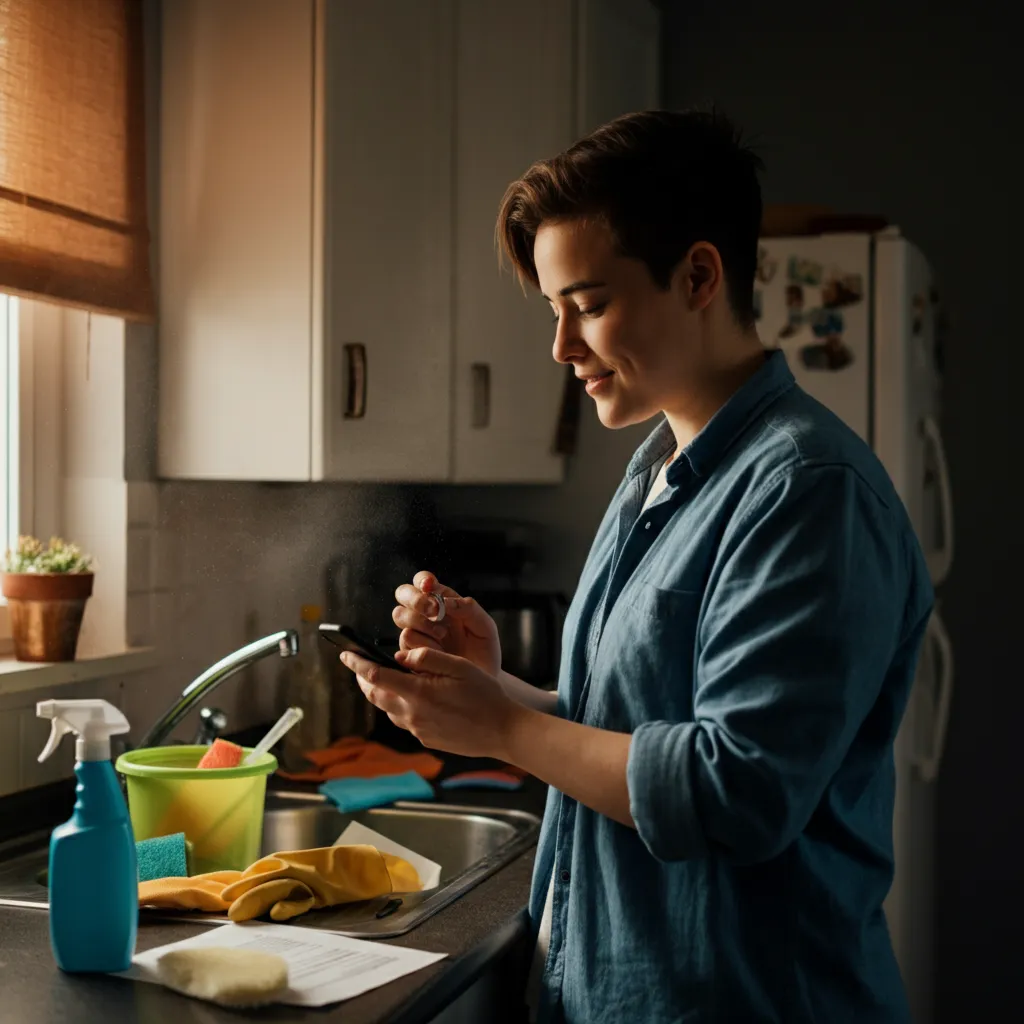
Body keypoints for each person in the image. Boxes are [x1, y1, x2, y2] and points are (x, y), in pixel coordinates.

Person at [339, 109, 933, 1024]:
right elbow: (629, 728)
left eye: (588, 305)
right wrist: (496, 690)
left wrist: (501, 728)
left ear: (698, 275)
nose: (561, 347)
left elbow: (735, 791)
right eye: (554, 312)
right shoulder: (657, 466)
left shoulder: (809, 491)